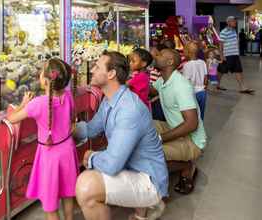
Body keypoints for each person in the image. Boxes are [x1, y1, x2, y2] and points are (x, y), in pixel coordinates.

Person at [75, 51, 168, 220]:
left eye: (97, 67)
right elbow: (91, 128)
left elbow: (112, 165)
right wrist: (69, 131)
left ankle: (147, 203)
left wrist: (90, 158)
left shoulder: (128, 109)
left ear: (111, 74)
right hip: (132, 169)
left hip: (148, 179)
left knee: (86, 185)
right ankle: (141, 212)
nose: (92, 70)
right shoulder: (110, 99)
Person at [8, 58, 78, 220]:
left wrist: (24, 103)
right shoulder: (68, 96)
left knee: (50, 204)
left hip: (49, 157)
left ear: (46, 81)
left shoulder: (37, 104)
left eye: (41, 71)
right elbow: (71, 121)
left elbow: (12, 118)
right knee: (68, 194)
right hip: (67, 150)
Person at [151, 48, 207, 194]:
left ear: (170, 62)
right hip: (173, 127)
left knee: (149, 151)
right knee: (142, 126)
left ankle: (186, 166)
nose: (157, 55)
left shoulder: (181, 85)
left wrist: (160, 138)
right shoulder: (163, 80)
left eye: (161, 54)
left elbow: (191, 124)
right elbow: (150, 91)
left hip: (192, 140)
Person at [218, 16, 254, 94]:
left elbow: (235, 41)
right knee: (221, 71)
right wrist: (221, 55)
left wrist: (237, 51)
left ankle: (242, 87)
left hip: (235, 54)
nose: (235, 22)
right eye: (234, 21)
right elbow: (220, 45)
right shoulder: (223, 32)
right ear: (228, 22)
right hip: (227, 55)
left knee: (238, 70)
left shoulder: (234, 30)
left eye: (235, 21)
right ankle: (217, 85)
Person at [182, 41, 208, 120]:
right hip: (202, 92)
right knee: (201, 114)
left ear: (188, 52)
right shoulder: (203, 62)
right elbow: (206, 78)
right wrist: (204, 87)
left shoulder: (187, 65)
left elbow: (186, 81)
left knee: (193, 116)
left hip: (192, 93)